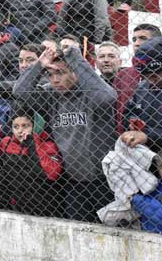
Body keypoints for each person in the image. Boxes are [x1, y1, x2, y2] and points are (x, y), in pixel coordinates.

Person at [13, 45, 116, 222]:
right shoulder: (51, 95)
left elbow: (108, 98)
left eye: (60, 73)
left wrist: (75, 58)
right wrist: (39, 64)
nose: (55, 80)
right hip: (72, 182)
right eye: (50, 74)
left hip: (103, 181)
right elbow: (20, 91)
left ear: (75, 72)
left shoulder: (90, 93)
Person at [0, 106, 63, 217]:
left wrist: (33, 142)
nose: (20, 131)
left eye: (25, 126)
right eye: (16, 127)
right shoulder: (6, 143)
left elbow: (51, 174)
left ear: (35, 126)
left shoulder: (48, 145)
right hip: (13, 206)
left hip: (43, 207)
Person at [95, 41, 139, 134]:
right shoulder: (92, 86)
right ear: (96, 63)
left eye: (111, 56)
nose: (106, 60)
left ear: (120, 62)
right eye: (102, 56)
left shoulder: (133, 81)